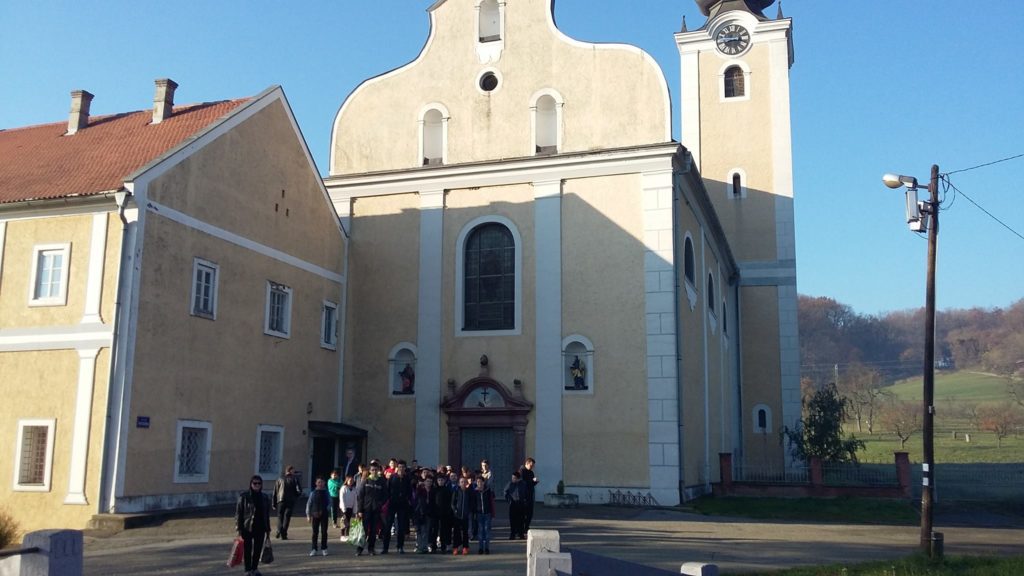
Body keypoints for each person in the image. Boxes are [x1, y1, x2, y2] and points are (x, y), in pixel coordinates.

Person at [235, 475, 271, 576]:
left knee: (258, 549)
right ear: (251, 484)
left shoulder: (264, 497)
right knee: (247, 549)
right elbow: (238, 513)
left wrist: (268, 528)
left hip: (260, 527)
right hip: (247, 527)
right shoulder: (244, 497)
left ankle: (255, 568)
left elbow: (266, 514)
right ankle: (247, 569)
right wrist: (238, 528)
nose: (257, 485)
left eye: (259, 483)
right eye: (255, 483)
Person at [356, 461, 387, 556]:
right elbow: (360, 496)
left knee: (373, 531)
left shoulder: (381, 481)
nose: (374, 471)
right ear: (369, 470)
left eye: (376, 470)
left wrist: (380, 504)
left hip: (376, 510)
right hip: (366, 510)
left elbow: (385, 495)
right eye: (372, 470)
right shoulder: (365, 481)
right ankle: (359, 549)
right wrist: (359, 510)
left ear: (378, 470)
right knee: (363, 530)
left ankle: (371, 549)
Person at [382, 460, 411, 553]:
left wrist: (407, 500)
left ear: (405, 468)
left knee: (401, 527)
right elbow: (387, 489)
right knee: (388, 526)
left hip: (402, 505)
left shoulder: (407, 479)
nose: (401, 469)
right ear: (397, 468)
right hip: (392, 504)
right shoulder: (392, 477)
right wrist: (387, 500)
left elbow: (409, 491)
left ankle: (400, 546)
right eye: (400, 467)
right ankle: (385, 548)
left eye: (403, 467)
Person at [272, 465, 302, 539]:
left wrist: (274, 503)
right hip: (290, 501)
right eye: (293, 470)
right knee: (287, 517)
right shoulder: (295, 479)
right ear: (290, 470)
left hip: (280, 500)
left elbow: (275, 491)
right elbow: (299, 490)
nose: (294, 472)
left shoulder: (280, 479)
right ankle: (284, 533)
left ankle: (279, 530)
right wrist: (295, 496)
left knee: (280, 516)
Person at [306, 476, 330, 556]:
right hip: (315, 514)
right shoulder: (313, 493)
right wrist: (308, 515)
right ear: (316, 483)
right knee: (315, 532)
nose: (320, 484)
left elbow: (330, 503)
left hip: (324, 514)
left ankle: (324, 548)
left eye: (322, 482)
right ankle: (314, 549)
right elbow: (309, 504)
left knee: (324, 532)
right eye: (319, 482)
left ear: (324, 483)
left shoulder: (326, 492)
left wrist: (326, 509)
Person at [472, 474, 496, 554]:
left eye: (480, 482)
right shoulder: (475, 492)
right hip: (479, 513)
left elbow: (491, 502)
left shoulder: (488, 491)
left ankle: (487, 548)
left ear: (483, 482)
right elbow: (474, 503)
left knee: (487, 531)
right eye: (477, 482)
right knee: (480, 531)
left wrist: (492, 512)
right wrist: (474, 513)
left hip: (487, 513)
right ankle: (480, 548)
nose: (479, 483)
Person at [451, 476, 472, 555]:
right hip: (457, 516)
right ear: (459, 483)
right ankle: (455, 547)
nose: (463, 483)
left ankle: (465, 547)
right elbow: (452, 503)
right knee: (456, 532)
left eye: (464, 482)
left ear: (466, 483)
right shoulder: (456, 491)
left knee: (465, 532)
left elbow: (471, 503)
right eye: (461, 482)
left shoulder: (469, 492)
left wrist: (469, 511)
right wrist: (455, 510)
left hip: (465, 516)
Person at [504, 470, 527, 539]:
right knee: (512, 520)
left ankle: (521, 534)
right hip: (513, 504)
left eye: (514, 478)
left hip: (521, 504)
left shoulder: (523, 484)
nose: (512, 479)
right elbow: (505, 492)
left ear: (518, 478)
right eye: (512, 478)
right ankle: (512, 534)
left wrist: (525, 500)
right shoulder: (510, 484)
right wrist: (509, 500)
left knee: (521, 520)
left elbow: (527, 493)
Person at [519, 457, 539, 535]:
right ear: (527, 463)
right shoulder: (521, 471)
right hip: (523, 496)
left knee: (530, 513)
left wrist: (535, 482)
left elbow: (530, 484)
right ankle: (521, 529)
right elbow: (523, 483)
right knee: (523, 514)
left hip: (530, 496)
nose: (532, 467)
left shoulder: (531, 472)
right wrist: (532, 481)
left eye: (533, 466)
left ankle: (526, 527)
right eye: (531, 465)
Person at [340, 475, 357, 540]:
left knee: (348, 521)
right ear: (347, 481)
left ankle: (347, 535)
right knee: (343, 521)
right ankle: (342, 535)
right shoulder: (343, 488)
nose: (351, 482)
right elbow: (342, 499)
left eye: (352, 480)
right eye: (350, 480)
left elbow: (355, 500)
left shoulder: (354, 489)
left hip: (350, 508)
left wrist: (355, 510)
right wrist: (344, 509)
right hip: (344, 508)